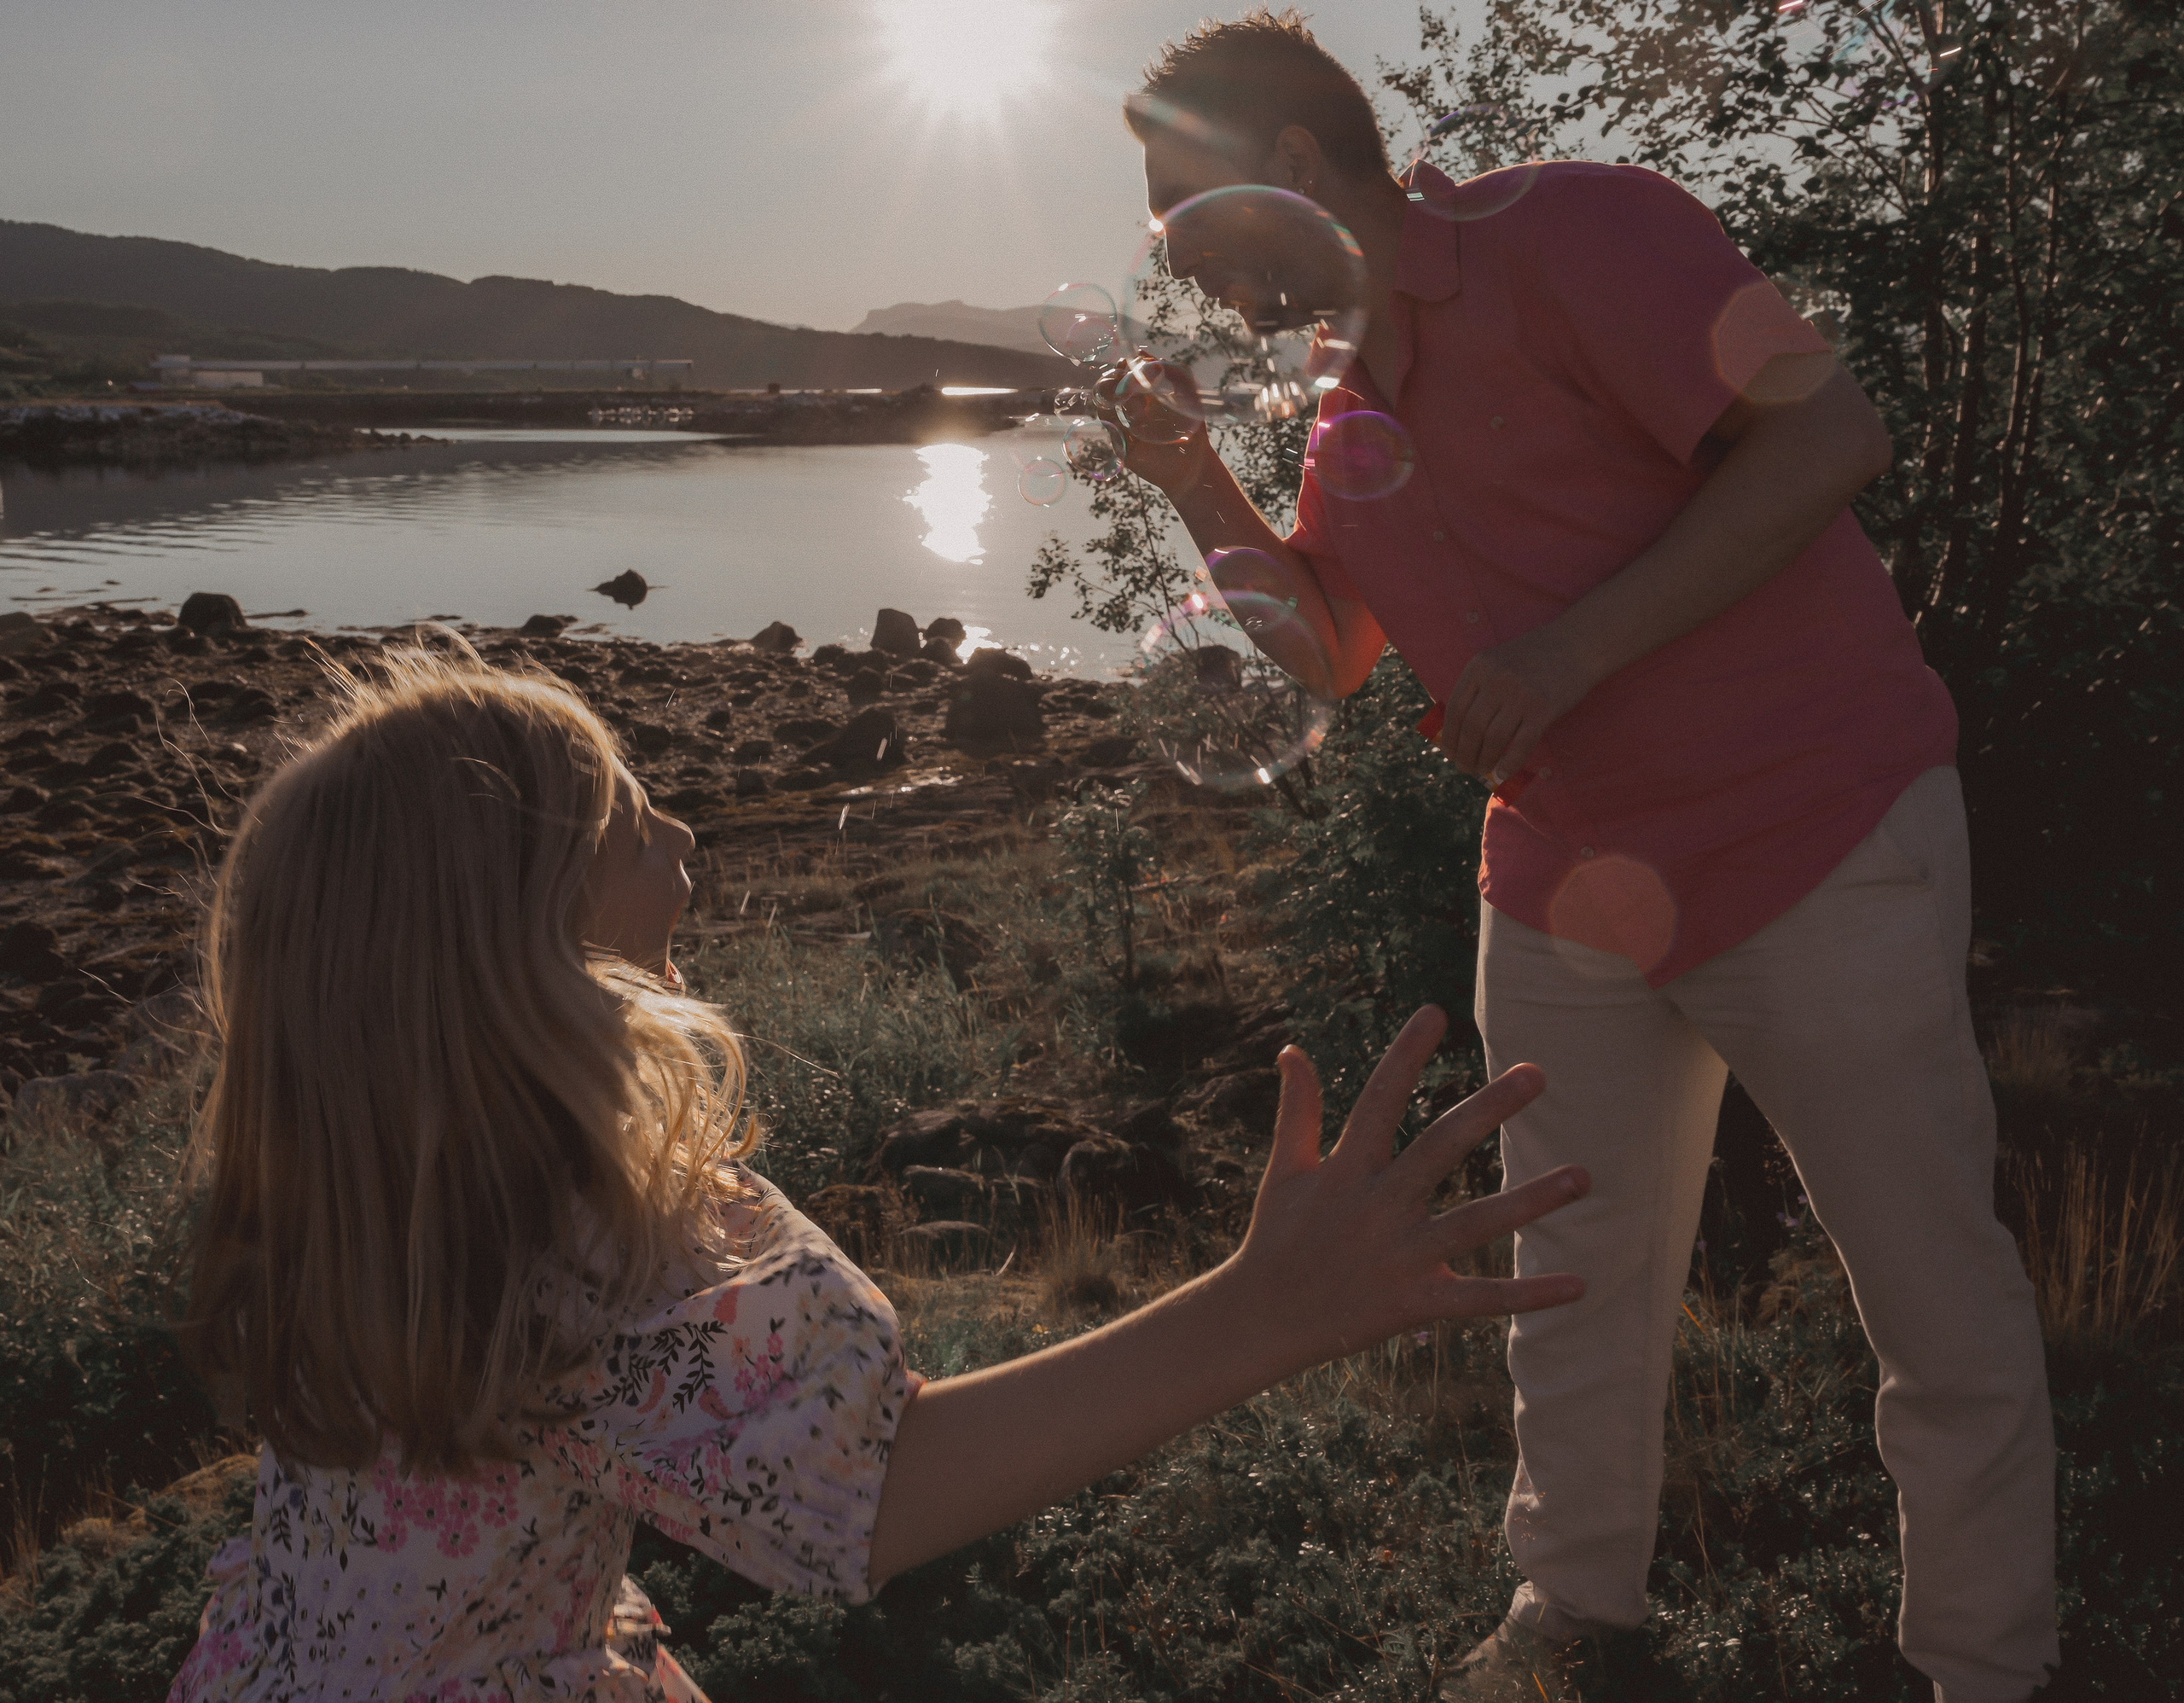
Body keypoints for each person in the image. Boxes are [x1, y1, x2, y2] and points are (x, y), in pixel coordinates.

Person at [1104, 10, 2058, 1703]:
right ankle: (1572, 1614)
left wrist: (1565, 653)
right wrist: (1195, 481)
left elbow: (1828, 438)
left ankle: (1981, 1661)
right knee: (1558, 1267)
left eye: (1201, 235)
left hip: (1813, 831)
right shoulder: (1338, 404)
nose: (1202, 288)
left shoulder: (1589, 229)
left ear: (1300, 173)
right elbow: (1326, 646)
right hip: (1560, 883)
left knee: (1928, 1283)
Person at [166, 648, 1589, 1701]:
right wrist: (1270, 1307)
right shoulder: (583, 1231)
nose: (683, 841)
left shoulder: (368, 1184)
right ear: (515, 949)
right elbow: (879, 1492)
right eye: (629, 820)